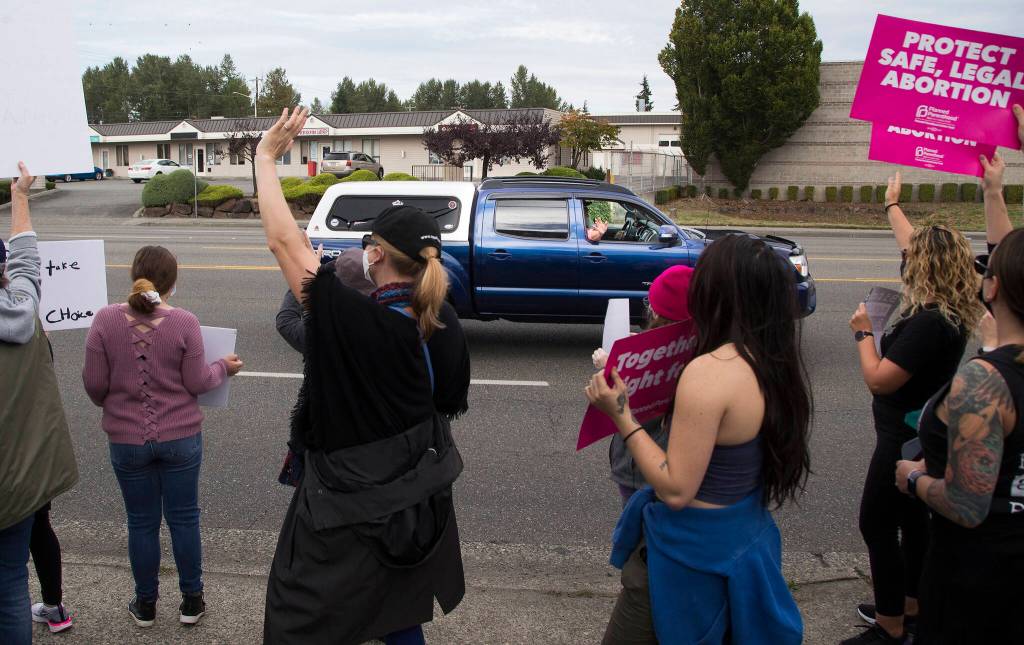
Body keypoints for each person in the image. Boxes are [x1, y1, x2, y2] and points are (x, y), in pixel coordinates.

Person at [257, 108, 470, 645]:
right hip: (413, 497)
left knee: (302, 614)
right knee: (398, 611)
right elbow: (446, 399)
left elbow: (287, 244)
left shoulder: (358, 322)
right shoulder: (443, 319)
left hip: (347, 502)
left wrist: (265, 159)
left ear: (375, 254)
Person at [585, 233, 811, 644]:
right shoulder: (771, 359)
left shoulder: (709, 372)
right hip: (743, 537)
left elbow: (675, 489)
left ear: (720, 295)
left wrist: (621, 414)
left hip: (688, 556)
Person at [843, 176, 984, 644]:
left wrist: (864, 333)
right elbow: (913, 241)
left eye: (911, 258)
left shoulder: (927, 323)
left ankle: (890, 625)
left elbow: (880, 379)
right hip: (918, 430)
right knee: (910, 519)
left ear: (924, 267)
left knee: (876, 523)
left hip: (899, 434)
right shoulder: (952, 307)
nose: (905, 261)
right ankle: (912, 603)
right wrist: (891, 205)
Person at [82, 245, 243, 628]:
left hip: (125, 439)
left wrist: (120, 397)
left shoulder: (104, 320)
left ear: (132, 273)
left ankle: (146, 604)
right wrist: (223, 367)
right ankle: (191, 601)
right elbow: (197, 382)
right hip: (181, 436)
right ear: (173, 282)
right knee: (185, 518)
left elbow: (94, 386)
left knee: (141, 522)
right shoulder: (185, 321)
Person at [894, 228, 1024, 644]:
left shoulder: (985, 383)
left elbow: (966, 505)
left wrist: (914, 479)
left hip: (981, 576)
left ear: (994, 285)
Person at [0, 163, 78, 645]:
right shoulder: (22, 312)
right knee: (11, 586)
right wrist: (21, 197)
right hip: (18, 485)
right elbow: (27, 262)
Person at [594, 265, 694, 506]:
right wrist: (641, 347)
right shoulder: (696, 346)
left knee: (639, 528)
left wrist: (610, 366)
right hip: (677, 464)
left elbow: (626, 398)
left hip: (642, 464)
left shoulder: (661, 363)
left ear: (657, 314)